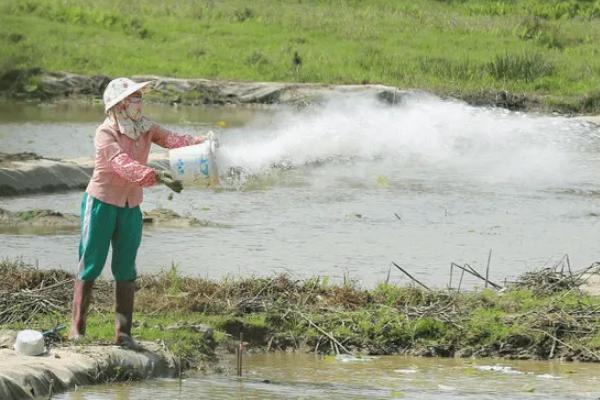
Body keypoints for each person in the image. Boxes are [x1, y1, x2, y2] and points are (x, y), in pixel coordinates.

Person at [69, 77, 205, 347]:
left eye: (140, 97)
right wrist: (156, 176)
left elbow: (173, 140)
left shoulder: (146, 127)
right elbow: (121, 164)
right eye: (134, 97)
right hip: (101, 203)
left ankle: (123, 334)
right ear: (119, 104)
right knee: (91, 263)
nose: (139, 102)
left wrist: (200, 141)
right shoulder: (106, 133)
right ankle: (77, 329)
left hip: (131, 206)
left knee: (126, 266)